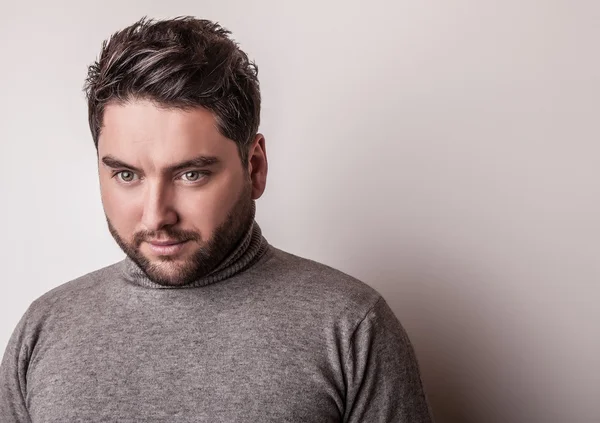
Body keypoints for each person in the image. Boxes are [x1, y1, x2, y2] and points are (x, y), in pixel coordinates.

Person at [0, 16, 433, 422]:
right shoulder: (44, 328)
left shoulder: (352, 326)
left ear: (255, 167)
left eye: (191, 174)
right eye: (127, 175)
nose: (156, 216)